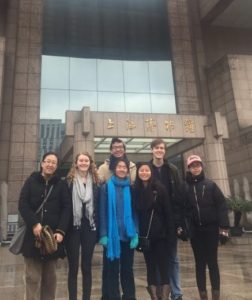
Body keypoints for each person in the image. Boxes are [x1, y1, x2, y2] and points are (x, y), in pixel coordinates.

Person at [18, 151, 71, 300]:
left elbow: (67, 208)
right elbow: (23, 204)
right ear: (42, 163)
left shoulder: (61, 184)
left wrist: (61, 231)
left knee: (50, 279)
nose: (50, 164)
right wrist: (34, 223)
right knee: (32, 278)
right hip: (32, 237)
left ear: (56, 166)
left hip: (52, 239)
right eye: (48, 161)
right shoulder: (31, 181)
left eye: (53, 162)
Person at [183, 155, 229, 300]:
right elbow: (182, 209)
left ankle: (216, 295)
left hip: (211, 230)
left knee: (213, 263)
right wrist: (184, 227)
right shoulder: (185, 187)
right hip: (196, 232)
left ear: (202, 166)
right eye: (192, 166)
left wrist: (224, 228)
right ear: (189, 168)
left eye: (198, 165)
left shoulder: (211, 185)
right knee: (199, 264)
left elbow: (221, 206)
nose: (195, 168)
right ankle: (203, 295)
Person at [98, 137, 136, 300]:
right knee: (111, 269)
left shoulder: (132, 188)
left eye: (124, 167)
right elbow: (102, 212)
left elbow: (135, 213)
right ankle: (111, 296)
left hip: (128, 236)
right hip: (112, 236)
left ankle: (129, 296)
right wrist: (104, 233)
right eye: (119, 167)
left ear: (127, 170)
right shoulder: (106, 187)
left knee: (127, 269)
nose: (121, 169)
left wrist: (136, 233)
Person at [133, 162, 174, 300]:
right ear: (138, 173)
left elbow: (168, 212)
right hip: (145, 236)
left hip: (160, 234)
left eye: (147, 170)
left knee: (163, 265)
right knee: (150, 266)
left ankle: (164, 296)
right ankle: (154, 297)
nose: (144, 173)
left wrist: (170, 234)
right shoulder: (135, 190)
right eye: (141, 170)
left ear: (151, 172)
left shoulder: (159, 188)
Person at [149, 139, 183, 300]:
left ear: (165, 151)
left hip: (170, 219)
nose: (159, 150)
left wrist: (178, 222)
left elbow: (178, 194)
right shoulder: (146, 169)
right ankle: (160, 294)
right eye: (157, 148)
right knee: (156, 259)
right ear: (152, 150)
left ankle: (176, 293)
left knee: (173, 258)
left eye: (162, 148)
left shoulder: (172, 169)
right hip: (153, 221)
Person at [65, 152, 100, 300]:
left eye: (86, 160)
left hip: (89, 227)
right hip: (73, 226)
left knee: (87, 266)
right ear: (76, 163)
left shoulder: (97, 182)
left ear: (90, 163)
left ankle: (86, 297)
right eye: (81, 160)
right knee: (73, 267)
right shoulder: (68, 181)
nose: (84, 163)